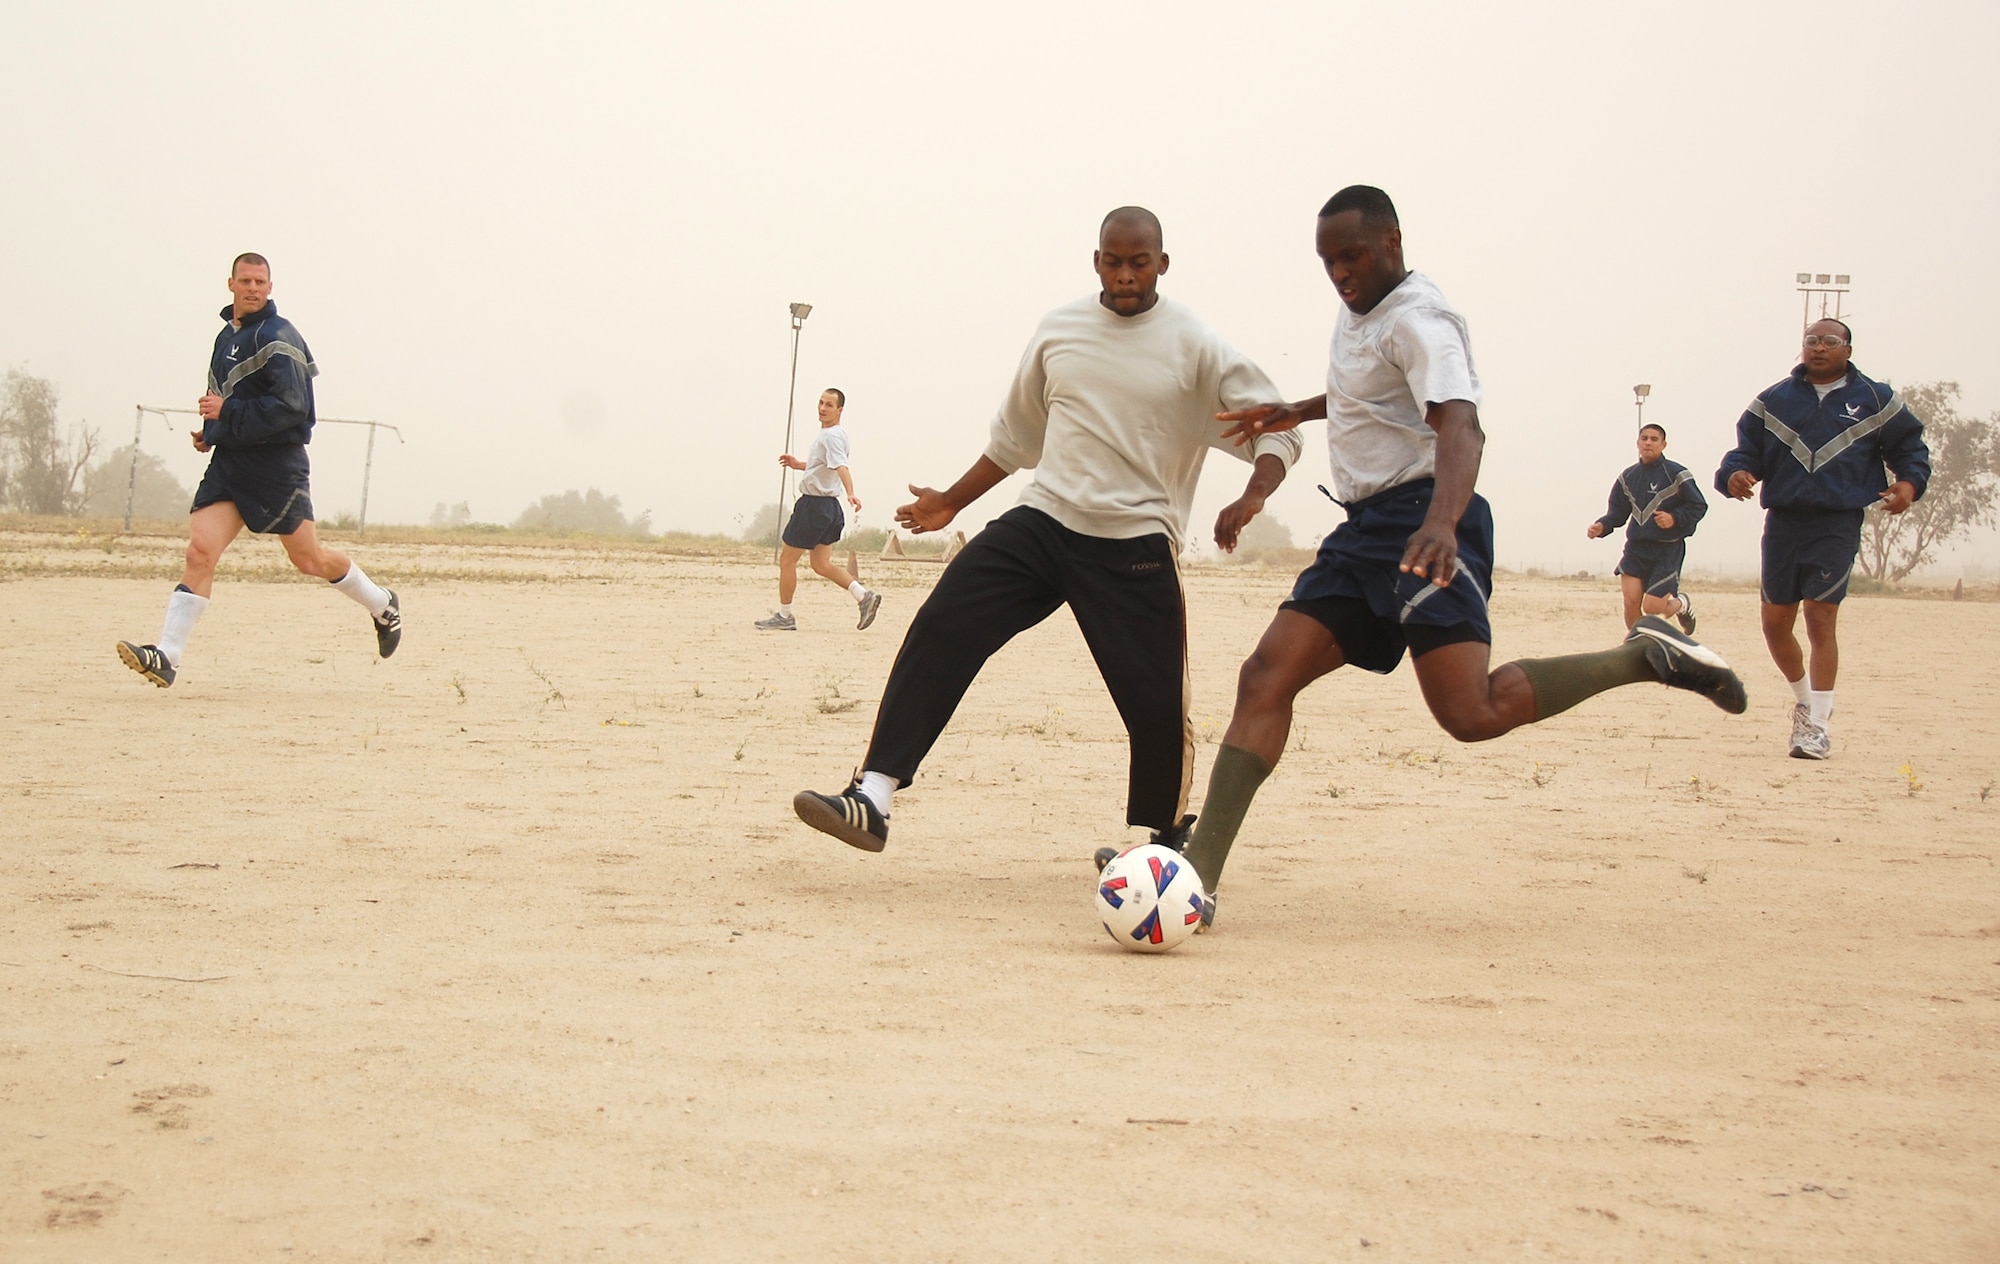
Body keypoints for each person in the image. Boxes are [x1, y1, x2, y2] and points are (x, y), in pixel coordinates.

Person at [1140, 187, 1747, 925]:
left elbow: (1462, 426)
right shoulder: (1364, 308)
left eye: (1352, 256)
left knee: (1471, 712)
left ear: (1392, 241)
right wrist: (1297, 410)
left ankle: (1644, 657)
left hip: (1423, 520)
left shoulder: (1422, 320)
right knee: (1266, 675)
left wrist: (1441, 522)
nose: (1340, 273)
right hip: (1363, 531)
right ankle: (1197, 878)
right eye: (1328, 261)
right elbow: (1372, 388)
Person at [791, 207, 1302, 860]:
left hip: (1136, 541)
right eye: (1113, 261)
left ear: (1162, 264)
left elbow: (1280, 430)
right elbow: (1015, 439)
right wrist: (951, 501)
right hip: (1044, 523)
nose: (1125, 274)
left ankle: (1166, 842)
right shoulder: (1060, 331)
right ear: (1096, 262)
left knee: (1154, 700)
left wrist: (1254, 493)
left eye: (1139, 262)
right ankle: (874, 796)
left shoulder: (1196, 347)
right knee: (944, 622)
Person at [116, 253, 400, 688]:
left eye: (260, 282)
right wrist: (212, 431)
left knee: (309, 559)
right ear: (230, 284)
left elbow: (292, 408)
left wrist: (228, 413)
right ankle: (167, 656)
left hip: (276, 464)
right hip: (231, 463)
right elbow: (224, 396)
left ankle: (382, 604)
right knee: (199, 552)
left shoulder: (279, 335)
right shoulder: (225, 337)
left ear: (270, 287)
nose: (252, 288)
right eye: (245, 280)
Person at [1715, 318, 1929, 760]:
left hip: (1836, 523)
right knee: (1775, 624)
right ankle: (1804, 702)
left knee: (1819, 616)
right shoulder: (1773, 401)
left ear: (1848, 349)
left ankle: (1818, 725)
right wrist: (1734, 474)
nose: (1819, 348)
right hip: (1783, 522)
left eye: (1830, 341)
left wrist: (1909, 484)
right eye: (1811, 340)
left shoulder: (1876, 399)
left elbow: (1911, 450)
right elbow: (1745, 451)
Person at [756, 388, 882, 631]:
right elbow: (824, 465)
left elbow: (842, 466)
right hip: (830, 508)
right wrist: (798, 465)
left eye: (829, 405)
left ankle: (785, 616)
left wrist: (851, 492)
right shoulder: (838, 434)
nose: (823, 408)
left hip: (814, 506)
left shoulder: (830, 437)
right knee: (821, 564)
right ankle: (863, 596)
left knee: (786, 560)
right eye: (821, 403)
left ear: (840, 410)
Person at [1586, 422, 1706, 631]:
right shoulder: (1628, 477)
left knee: (1652, 607)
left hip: (1667, 549)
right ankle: (1638, 644)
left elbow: (1699, 506)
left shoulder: (1677, 474)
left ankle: (1681, 604)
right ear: (1637, 443)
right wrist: (1602, 526)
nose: (1648, 443)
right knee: (1630, 602)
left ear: (1663, 444)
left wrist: (1674, 518)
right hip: (1636, 547)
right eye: (1644, 438)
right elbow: (1617, 513)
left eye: (1654, 439)